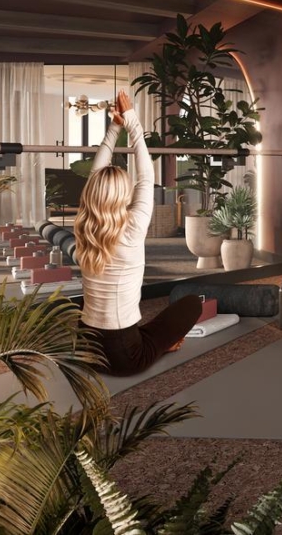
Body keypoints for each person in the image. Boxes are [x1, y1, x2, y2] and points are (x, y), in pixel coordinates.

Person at [76, 89, 201, 376]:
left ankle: (154, 340)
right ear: (123, 194)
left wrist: (115, 127)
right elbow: (147, 176)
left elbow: (97, 175)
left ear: (92, 194)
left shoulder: (84, 225)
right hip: (123, 357)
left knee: (131, 320)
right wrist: (130, 121)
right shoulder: (132, 227)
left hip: (85, 347)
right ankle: (158, 346)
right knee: (192, 303)